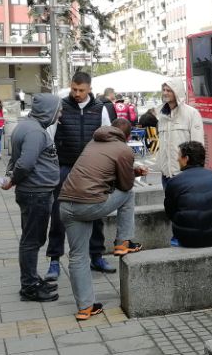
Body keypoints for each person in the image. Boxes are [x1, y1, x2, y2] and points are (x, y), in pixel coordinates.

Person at [58, 118, 146, 320]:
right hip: (89, 205)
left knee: (77, 256)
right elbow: (124, 185)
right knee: (129, 194)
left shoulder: (93, 142)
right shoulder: (123, 149)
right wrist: (134, 173)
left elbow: (99, 173)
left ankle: (85, 308)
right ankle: (123, 242)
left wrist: (129, 172)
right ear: (127, 136)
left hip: (66, 204)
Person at [45, 71, 114, 281]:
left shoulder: (100, 109)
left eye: (81, 90)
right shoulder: (61, 107)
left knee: (96, 213)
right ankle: (54, 260)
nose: (76, 93)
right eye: (74, 89)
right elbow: (49, 138)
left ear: (89, 89)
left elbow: (108, 139)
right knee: (58, 215)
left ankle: (96, 256)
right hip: (64, 168)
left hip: (92, 170)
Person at [1, 93, 62, 302]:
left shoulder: (27, 126)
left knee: (32, 239)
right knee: (31, 240)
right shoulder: (35, 131)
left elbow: (17, 158)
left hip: (35, 192)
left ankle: (32, 279)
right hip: (36, 193)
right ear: (48, 111)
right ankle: (29, 287)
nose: (60, 115)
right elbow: (25, 163)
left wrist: (12, 177)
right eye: (58, 110)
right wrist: (13, 180)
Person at [164, 140, 212, 247]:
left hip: (188, 239)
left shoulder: (174, 182)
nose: (177, 159)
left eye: (179, 155)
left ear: (186, 158)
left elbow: (170, 212)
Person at [156, 81, 204, 189]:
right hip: (166, 175)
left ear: (177, 92)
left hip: (184, 174)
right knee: (168, 200)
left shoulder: (192, 113)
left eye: (169, 90)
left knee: (184, 200)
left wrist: (195, 172)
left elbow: (198, 145)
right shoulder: (162, 115)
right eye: (164, 90)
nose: (165, 93)